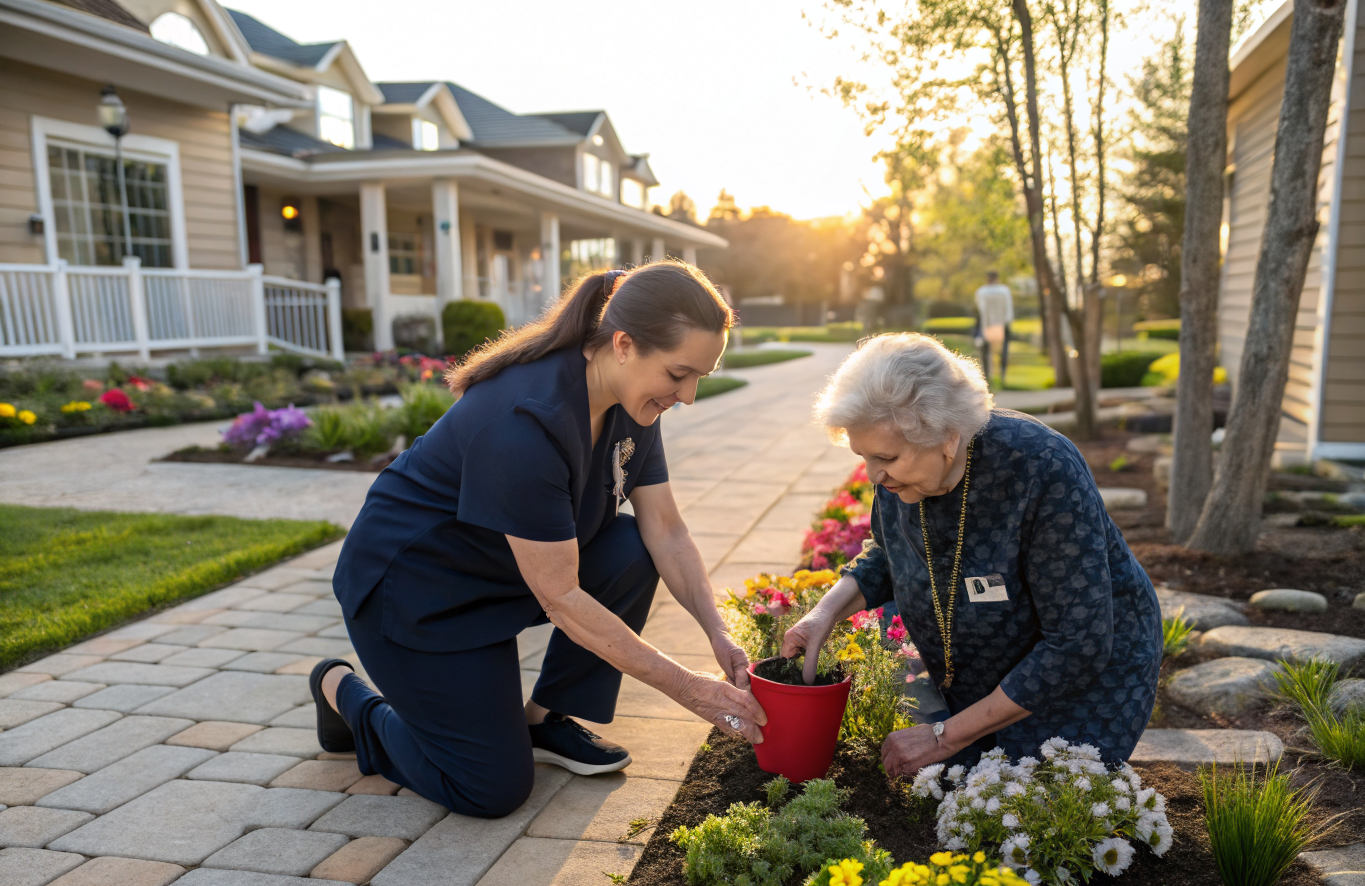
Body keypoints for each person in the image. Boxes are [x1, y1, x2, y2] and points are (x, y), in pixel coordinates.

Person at [313, 261, 767, 818]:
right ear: (624, 344)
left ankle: (543, 720)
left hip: (501, 577)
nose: (689, 395)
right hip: (415, 597)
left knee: (630, 548)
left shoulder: (632, 408)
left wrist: (719, 634)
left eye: (700, 376)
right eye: (678, 374)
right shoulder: (525, 422)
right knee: (490, 788)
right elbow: (562, 597)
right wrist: (688, 688)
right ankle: (344, 693)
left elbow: (666, 531)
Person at [780, 334, 1160, 778]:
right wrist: (823, 615)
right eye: (863, 456)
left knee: (1033, 813)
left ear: (946, 436)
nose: (874, 474)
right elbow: (889, 553)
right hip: (982, 688)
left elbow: (1078, 645)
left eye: (885, 457)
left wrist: (945, 735)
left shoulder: (1040, 467)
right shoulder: (901, 480)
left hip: (1081, 688)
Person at [974, 271, 1014, 383]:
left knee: (987, 351)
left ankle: (988, 375)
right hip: (1001, 324)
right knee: (1003, 351)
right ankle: (1001, 374)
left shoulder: (982, 291)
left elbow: (980, 308)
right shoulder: (1004, 291)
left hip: (987, 325)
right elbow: (1008, 308)